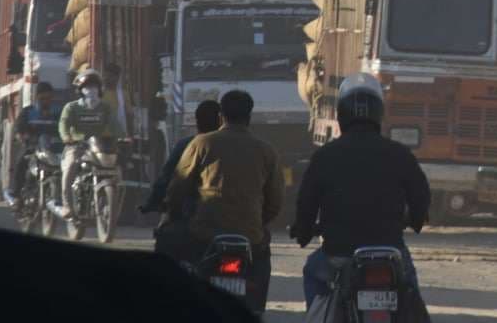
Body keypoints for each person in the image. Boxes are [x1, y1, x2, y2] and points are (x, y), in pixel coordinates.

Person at [292, 73, 431, 310]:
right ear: (379, 114)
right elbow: (421, 196)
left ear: (341, 115)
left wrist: (304, 232)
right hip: (390, 252)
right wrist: (416, 220)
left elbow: (306, 202)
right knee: (411, 294)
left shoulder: (326, 155)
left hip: (339, 253)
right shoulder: (399, 154)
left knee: (313, 273)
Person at [164, 90, 283, 314]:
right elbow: (275, 202)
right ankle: (256, 307)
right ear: (249, 116)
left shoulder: (201, 143)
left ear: (221, 116)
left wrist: (171, 215)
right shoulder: (267, 151)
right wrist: (257, 222)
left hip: (204, 234)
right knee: (262, 254)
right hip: (250, 236)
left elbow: (177, 188)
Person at [48, 70, 120, 220]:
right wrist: (67, 137)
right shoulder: (71, 107)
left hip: (98, 146)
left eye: (94, 86)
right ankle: (67, 206)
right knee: (69, 170)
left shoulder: (105, 108)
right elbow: (63, 125)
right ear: (80, 90)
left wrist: (124, 137)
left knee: (118, 168)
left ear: (100, 89)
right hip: (76, 147)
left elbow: (115, 126)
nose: (91, 90)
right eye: (87, 87)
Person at [141, 99, 221, 216]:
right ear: (221, 121)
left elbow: (166, 177)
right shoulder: (235, 147)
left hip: (193, 214)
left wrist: (153, 202)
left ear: (196, 121)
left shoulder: (186, 145)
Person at [3, 81, 62, 207]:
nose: (46, 101)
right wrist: (22, 136)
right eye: (43, 98)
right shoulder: (28, 112)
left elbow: (66, 128)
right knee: (22, 162)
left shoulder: (59, 112)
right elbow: (19, 128)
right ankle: (14, 193)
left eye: (49, 98)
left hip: (54, 150)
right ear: (37, 97)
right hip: (33, 148)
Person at [102, 63, 130, 138]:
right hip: (100, 137)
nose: (106, 78)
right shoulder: (98, 94)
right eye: (105, 75)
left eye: (110, 76)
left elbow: (129, 116)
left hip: (118, 137)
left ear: (117, 77)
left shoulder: (123, 95)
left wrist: (130, 136)